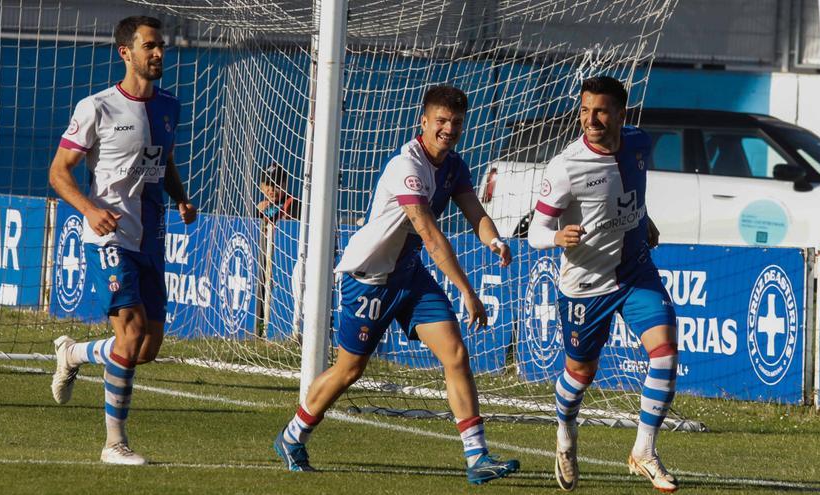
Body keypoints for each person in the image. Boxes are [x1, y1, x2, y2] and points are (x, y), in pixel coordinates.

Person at [273, 85, 520, 484]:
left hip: (408, 274)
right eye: (440, 121)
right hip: (369, 277)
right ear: (423, 122)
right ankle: (292, 435)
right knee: (349, 370)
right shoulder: (407, 165)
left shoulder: (454, 165)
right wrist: (467, 291)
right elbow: (431, 235)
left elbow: (476, 212)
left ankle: (478, 459)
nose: (448, 129)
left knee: (455, 353)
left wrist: (493, 239)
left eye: (456, 122)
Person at [47, 15, 197, 465]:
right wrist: (91, 210)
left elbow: (162, 163)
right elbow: (59, 172)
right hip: (107, 236)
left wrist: (182, 198)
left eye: (161, 46)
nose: (157, 54)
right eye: (149, 46)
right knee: (129, 335)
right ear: (125, 52)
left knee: (144, 349)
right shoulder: (97, 107)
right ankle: (114, 444)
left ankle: (73, 352)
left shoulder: (169, 106)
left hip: (151, 237)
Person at [527, 75, 678, 492]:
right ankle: (565, 433)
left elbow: (628, 190)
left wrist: (643, 219)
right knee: (581, 371)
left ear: (620, 115)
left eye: (600, 111)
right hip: (585, 286)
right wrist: (557, 237)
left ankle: (644, 451)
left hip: (634, 273)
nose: (590, 119)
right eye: (584, 110)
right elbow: (535, 232)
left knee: (664, 352)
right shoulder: (565, 167)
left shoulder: (639, 143)